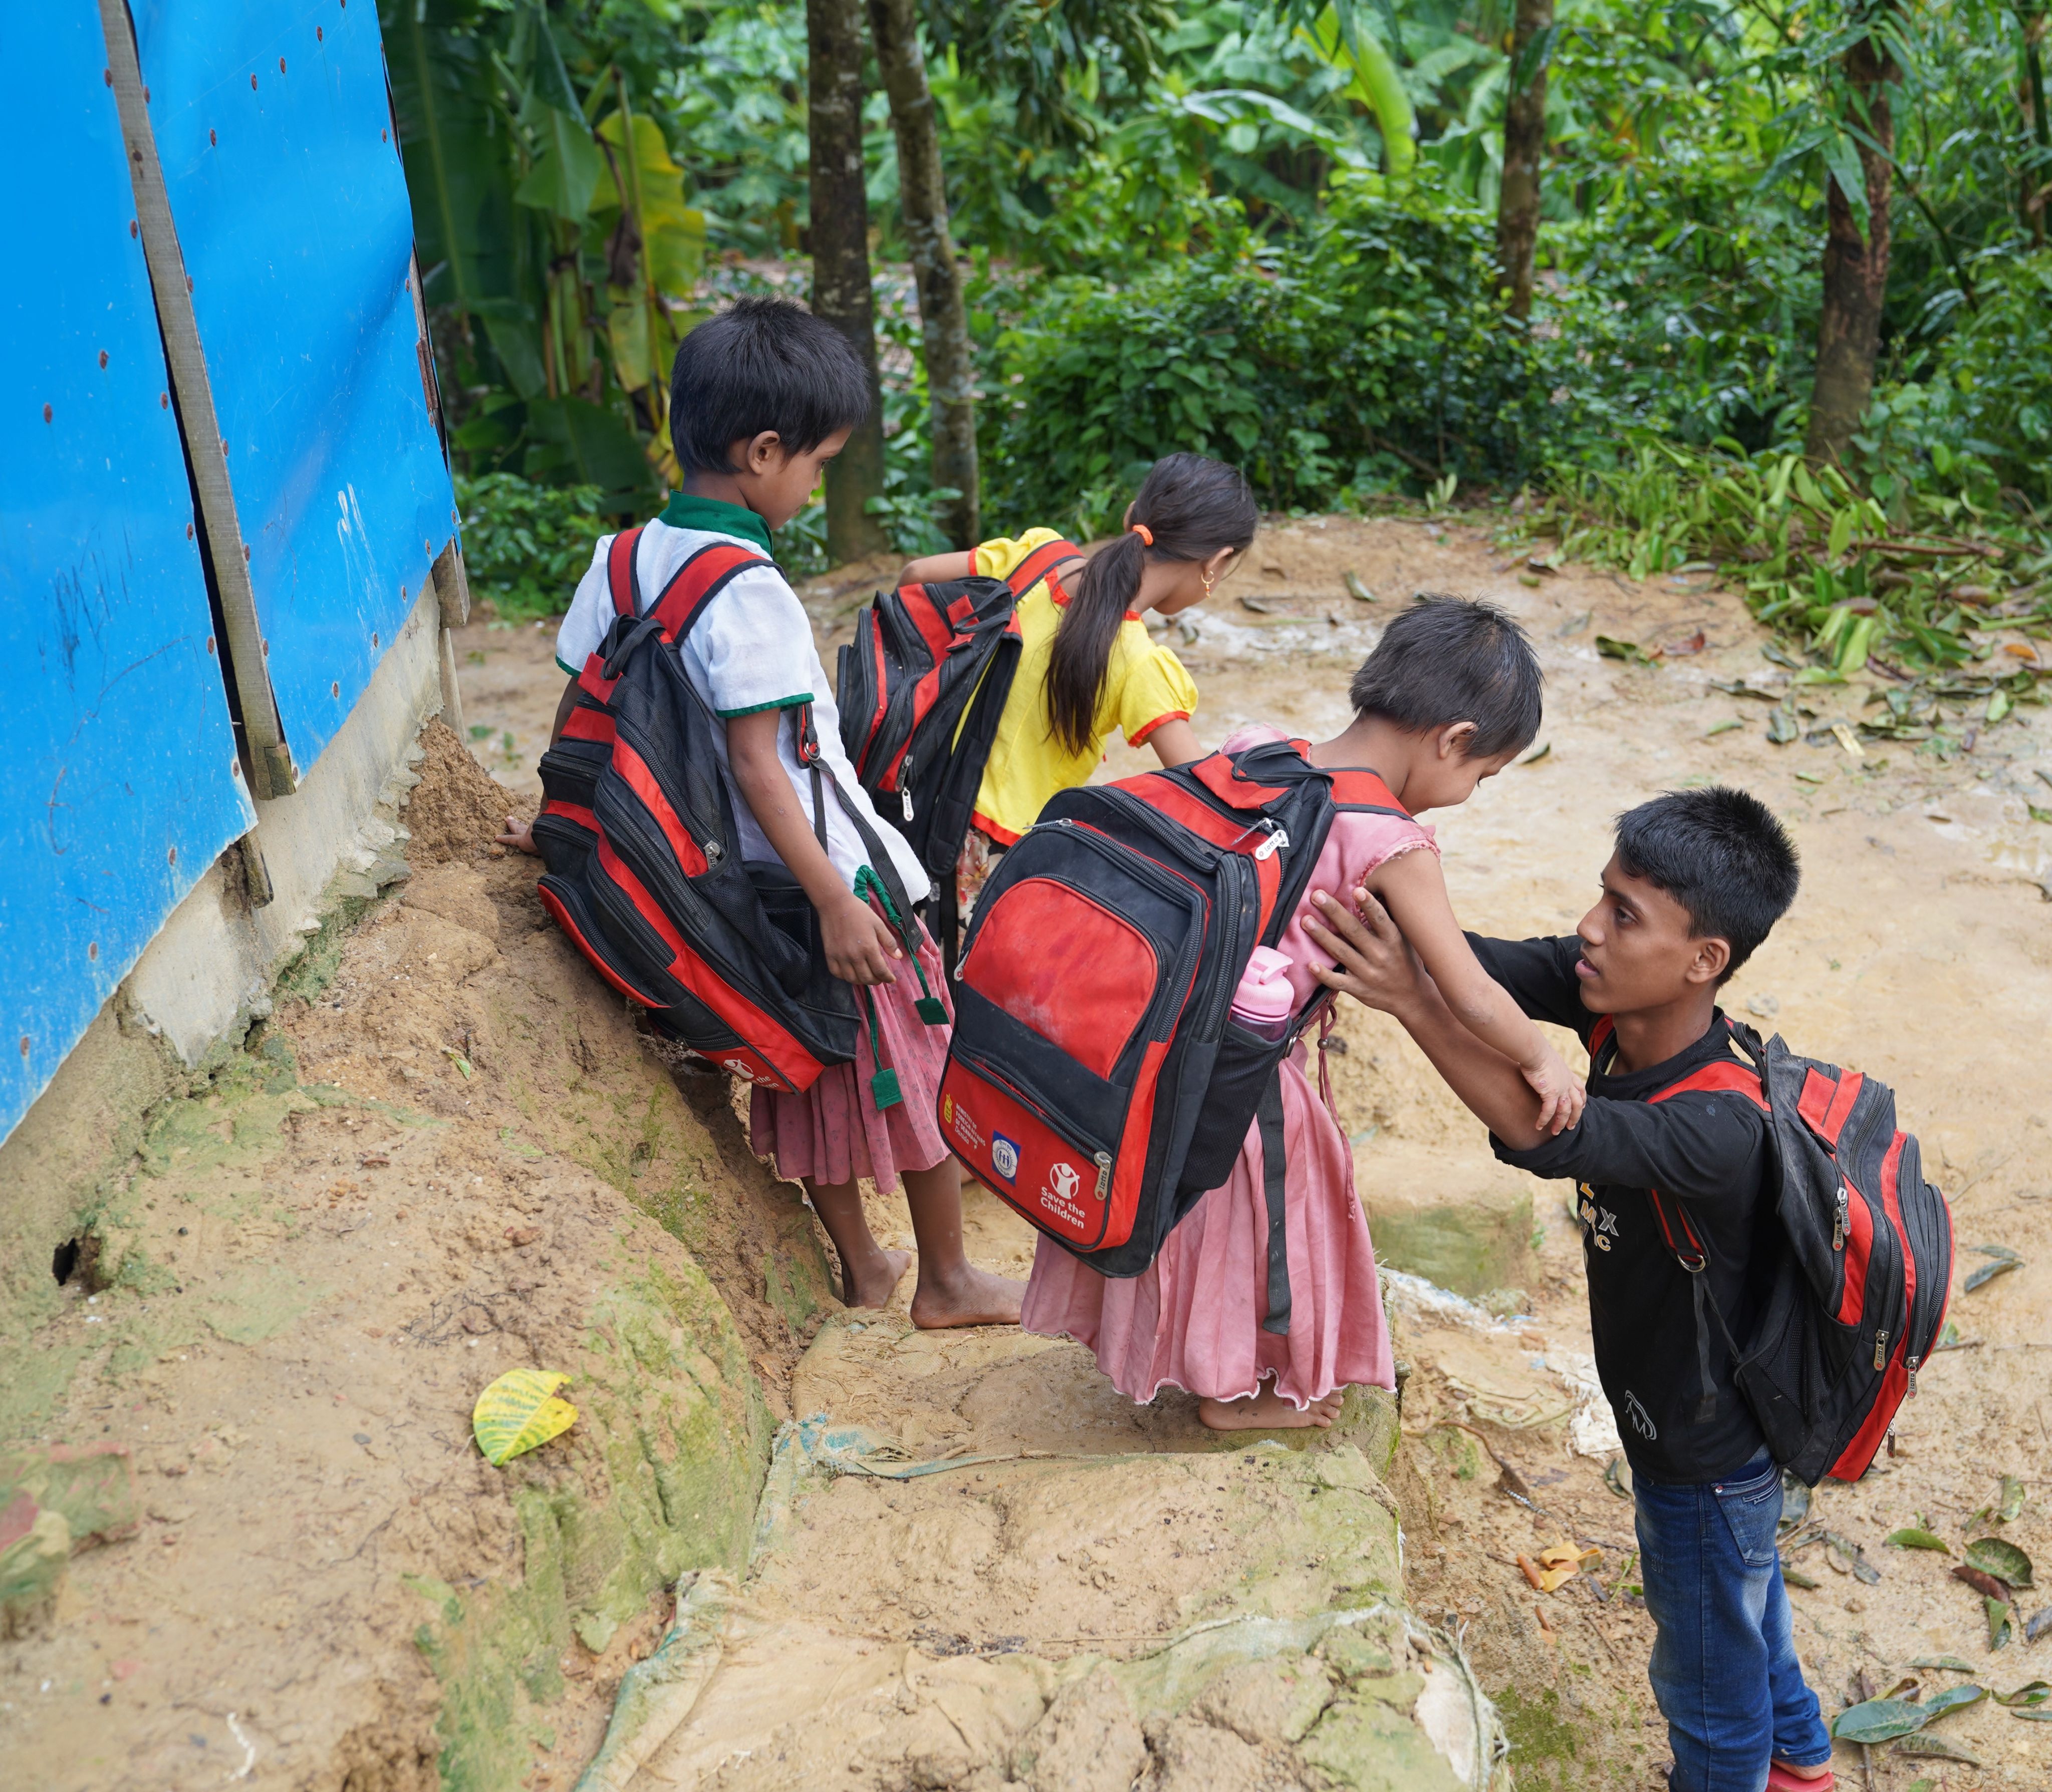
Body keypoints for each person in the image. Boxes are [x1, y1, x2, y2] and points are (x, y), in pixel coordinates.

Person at [500, 296, 1021, 1331]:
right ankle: (948, 1281)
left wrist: (556, 815)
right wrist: (838, 898)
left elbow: (584, 701)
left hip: (722, 885)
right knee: (914, 1058)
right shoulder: (747, 588)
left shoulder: (618, 558)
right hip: (824, 875)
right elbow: (760, 761)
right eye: (817, 463)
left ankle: (865, 1264)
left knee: (800, 1066)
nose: (816, 483)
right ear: (762, 451)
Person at [1302, 786, 1834, 1792]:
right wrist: (1360, 892)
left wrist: (1412, 1002)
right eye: (1601, 895)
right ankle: (1802, 1763)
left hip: (1703, 1449)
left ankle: (1757, 1766)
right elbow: (1469, 963)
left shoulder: (1716, 1125)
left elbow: (1553, 1134)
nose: (1587, 929)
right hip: (1695, 1429)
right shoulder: (1611, 998)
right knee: (1746, 1608)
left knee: (1707, 1692)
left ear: (1701, 961)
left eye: (1623, 914)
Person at [1022, 596, 1579, 1431]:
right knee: (1268, 1223)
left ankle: (1160, 1352)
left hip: (1168, 1034)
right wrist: (1540, 1056)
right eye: (1480, 776)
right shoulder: (1390, 840)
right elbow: (1466, 988)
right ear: (1453, 739)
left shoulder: (1260, 751)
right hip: (1249, 1068)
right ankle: (1232, 1390)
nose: (1465, 792)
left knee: (1180, 1205)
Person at [895, 453, 1256, 927]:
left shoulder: (1038, 555)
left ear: (1131, 515)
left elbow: (915, 577)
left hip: (911, 801)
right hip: (995, 859)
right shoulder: (1138, 660)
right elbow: (1202, 791)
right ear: (1217, 561)